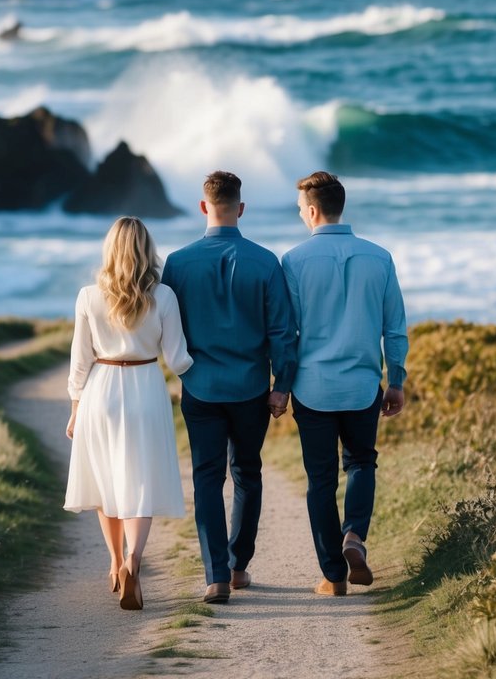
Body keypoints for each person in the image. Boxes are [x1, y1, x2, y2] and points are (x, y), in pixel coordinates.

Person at [161, 170, 297, 604]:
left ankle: (215, 576)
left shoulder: (178, 263)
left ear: (204, 207)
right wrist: (283, 384)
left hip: (200, 386)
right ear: (240, 208)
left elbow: (166, 327)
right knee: (247, 473)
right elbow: (282, 332)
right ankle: (239, 567)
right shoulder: (265, 261)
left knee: (206, 478)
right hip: (251, 388)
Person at [282, 170, 408, 596]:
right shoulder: (380, 257)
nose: (301, 216)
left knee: (320, 481)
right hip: (361, 386)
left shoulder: (294, 261)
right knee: (361, 463)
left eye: (301, 210)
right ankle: (354, 536)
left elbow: (288, 333)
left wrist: (281, 383)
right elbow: (395, 330)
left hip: (312, 388)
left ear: (313, 211)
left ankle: (333, 577)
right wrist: (397, 380)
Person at [64, 216, 192, 611]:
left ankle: (116, 561)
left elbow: (79, 362)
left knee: (107, 483)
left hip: (100, 390)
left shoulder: (88, 296)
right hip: (145, 388)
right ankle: (135, 560)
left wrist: (75, 408)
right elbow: (177, 359)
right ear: (146, 250)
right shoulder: (164, 297)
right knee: (140, 482)